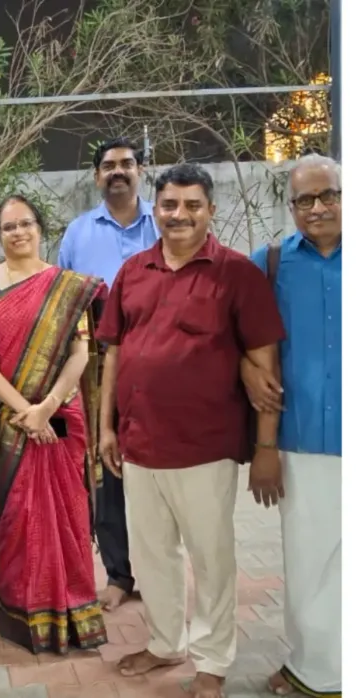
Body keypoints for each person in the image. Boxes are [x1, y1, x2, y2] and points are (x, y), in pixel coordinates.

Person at [96, 164, 286, 698]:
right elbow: (112, 353)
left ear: (210, 211)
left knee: (211, 558)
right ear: (154, 209)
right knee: (152, 555)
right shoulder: (133, 271)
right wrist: (106, 427)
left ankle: (212, 660)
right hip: (138, 445)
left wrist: (266, 446)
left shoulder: (235, 274)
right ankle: (163, 643)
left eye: (191, 205)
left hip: (205, 447)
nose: (179, 215)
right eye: (170, 205)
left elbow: (262, 361)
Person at [0, 195, 108, 654]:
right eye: (8, 227)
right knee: (17, 514)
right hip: (9, 420)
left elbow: (80, 354)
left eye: (26, 224)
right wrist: (24, 409)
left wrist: (46, 406)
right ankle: (23, 609)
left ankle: (73, 606)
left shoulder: (69, 287)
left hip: (60, 416)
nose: (18, 233)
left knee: (68, 511)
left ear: (41, 229)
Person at [245, 154, 342, 697]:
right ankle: (311, 667)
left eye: (327, 194)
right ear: (291, 207)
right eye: (305, 199)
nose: (318, 207)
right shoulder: (270, 263)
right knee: (307, 558)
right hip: (301, 436)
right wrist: (246, 373)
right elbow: (239, 337)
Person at [56, 137, 160, 611]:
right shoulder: (78, 234)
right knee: (105, 467)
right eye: (108, 166)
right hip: (98, 369)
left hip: (161, 366)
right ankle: (119, 574)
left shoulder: (165, 223)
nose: (118, 172)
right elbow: (60, 302)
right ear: (97, 176)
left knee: (160, 470)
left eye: (126, 164)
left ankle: (163, 575)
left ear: (140, 171)